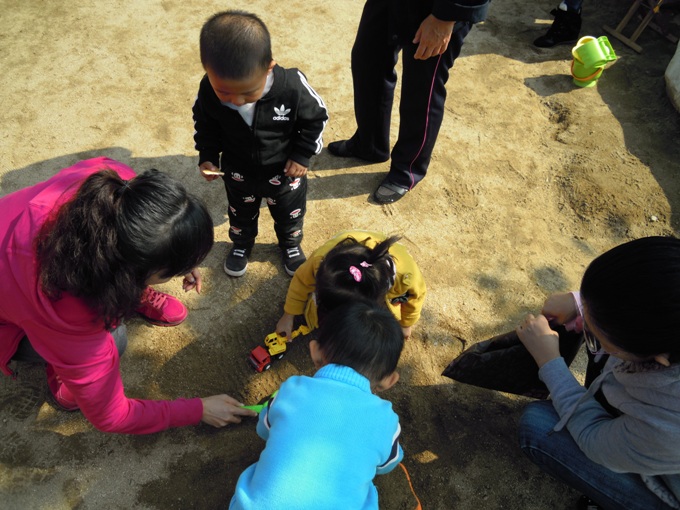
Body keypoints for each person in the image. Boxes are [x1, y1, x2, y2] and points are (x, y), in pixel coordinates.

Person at [0, 157, 256, 434]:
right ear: (126, 273)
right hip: (13, 309)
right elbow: (112, 417)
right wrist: (198, 409)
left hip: (23, 259)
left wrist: (178, 253)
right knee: (115, 338)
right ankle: (62, 373)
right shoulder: (68, 316)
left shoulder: (119, 187)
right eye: (168, 272)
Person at [515, 236, 680, 509]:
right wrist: (582, 304)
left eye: (596, 337)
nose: (587, 332)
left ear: (660, 358)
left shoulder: (670, 426)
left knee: (537, 425)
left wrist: (549, 362)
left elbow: (594, 439)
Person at [230, 301, 404, 509]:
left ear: (315, 352)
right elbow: (386, 465)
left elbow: (264, 429)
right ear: (389, 380)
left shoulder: (292, 389)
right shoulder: (387, 421)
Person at [193, 10, 328, 277]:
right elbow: (205, 124)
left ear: (269, 67)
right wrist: (207, 155)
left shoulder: (291, 86)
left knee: (290, 214)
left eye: (247, 92)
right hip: (238, 172)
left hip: (284, 172)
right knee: (240, 214)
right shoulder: (208, 88)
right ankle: (242, 245)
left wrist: (302, 155)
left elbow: (317, 118)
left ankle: (290, 244)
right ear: (208, 72)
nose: (237, 101)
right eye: (225, 93)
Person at [326, 0, 490, 204]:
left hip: (438, 8)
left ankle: (408, 168)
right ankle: (370, 144)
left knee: (422, 87)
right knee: (367, 59)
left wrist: (446, 16)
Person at [276, 230, 426, 341]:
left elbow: (416, 298)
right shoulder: (320, 260)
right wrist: (289, 314)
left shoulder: (407, 277)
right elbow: (301, 280)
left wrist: (406, 324)